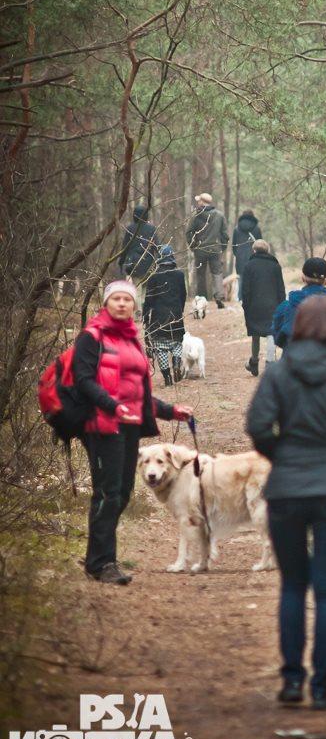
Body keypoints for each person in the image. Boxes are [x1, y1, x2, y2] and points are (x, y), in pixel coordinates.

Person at [246, 295, 326, 710]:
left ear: (300, 326)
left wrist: (281, 455)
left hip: (285, 492)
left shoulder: (277, 376)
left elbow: (257, 426)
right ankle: (323, 688)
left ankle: (290, 682)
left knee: (292, 585)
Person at [74, 280, 193, 585]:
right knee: (108, 493)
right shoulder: (92, 338)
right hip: (102, 426)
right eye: (116, 299)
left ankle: (97, 559)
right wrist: (111, 405)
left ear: (134, 305)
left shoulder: (131, 339)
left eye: (128, 299)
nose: (123, 304)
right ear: (107, 303)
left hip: (129, 427)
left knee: (123, 492)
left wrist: (170, 411)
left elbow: (139, 393)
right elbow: (84, 381)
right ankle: (102, 563)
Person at [143, 244, 187, 387]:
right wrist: (180, 309)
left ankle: (167, 378)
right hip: (176, 315)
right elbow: (183, 295)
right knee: (177, 343)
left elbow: (148, 299)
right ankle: (176, 363)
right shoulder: (180, 275)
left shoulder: (153, 277)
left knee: (160, 347)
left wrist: (145, 316)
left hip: (158, 318)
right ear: (172, 258)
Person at [241, 239, 285, 377]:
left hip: (254, 305)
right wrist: (282, 305)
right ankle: (270, 362)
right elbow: (281, 289)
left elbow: (245, 290)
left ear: (254, 250)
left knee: (255, 333)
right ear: (268, 251)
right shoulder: (275, 266)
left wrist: (245, 305)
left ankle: (254, 362)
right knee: (271, 332)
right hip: (273, 305)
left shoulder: (248, 266)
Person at [271, 257, 326, 350]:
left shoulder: (286, 307)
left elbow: (279, 338)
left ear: (303, 278)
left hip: (294, 360)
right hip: (325, 361)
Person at [186, 193, 229, 308]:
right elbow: (225, 235)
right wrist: (221, 247)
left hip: (200, 250)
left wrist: (193, 246)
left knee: (200, 274)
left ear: (201, 202)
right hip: (215, 249)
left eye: (199, 200)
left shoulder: (196, 215)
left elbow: (188, 232)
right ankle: (219, 297)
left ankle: (201, 298)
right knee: (217, 273)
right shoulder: (219, 215)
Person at [118, 204, 160, 303]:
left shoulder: (130, 229)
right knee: (146, 290)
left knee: (137, 289)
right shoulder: (152, 229)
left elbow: (125, 248)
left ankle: (138, 314)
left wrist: (121, 262)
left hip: (134, 265)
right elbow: (157, 247)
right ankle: (144, 313)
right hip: (148, 264)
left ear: (134, 215)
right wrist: (159, 261)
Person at [232, 209, 262, 300]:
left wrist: (237, 254)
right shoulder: (257, 228)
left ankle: (240, 297)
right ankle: (253, 296)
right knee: (253, 277)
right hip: (254, 255)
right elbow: (260, 242)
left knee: (241, 277)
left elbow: (234, 245)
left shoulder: (237, 229)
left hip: (240, 256)